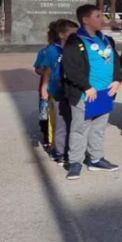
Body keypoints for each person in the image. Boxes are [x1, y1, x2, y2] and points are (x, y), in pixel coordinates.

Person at [61, 4, 122, 180]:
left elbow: (116, 62)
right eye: (97, 16)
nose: (101, 19)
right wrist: (86, 86)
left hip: (105, 92)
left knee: (99, 128)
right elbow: (70, 68)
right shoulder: (75, 41)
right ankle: (75, 163)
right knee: (79, 129)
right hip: (85, 93)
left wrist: (117, 80)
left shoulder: (106, 39)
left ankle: (96, 159)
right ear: (85, 20)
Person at [41, 19, 78, 164]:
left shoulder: (77, 47)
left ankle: (73, 149)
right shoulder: (52, 49)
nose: (75, 37)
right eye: (71, 34)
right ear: (62, 35)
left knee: (74, 122)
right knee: (61, 122)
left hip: (74, 90)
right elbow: (48, 71)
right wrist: (44, 88)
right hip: (58, 90)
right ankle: (59, 151)